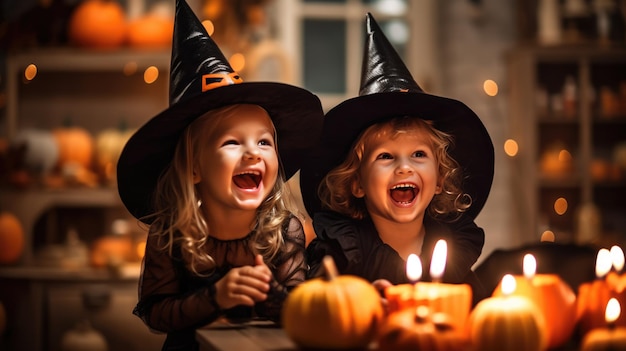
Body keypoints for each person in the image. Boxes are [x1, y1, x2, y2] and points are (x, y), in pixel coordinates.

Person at [116, 0, 324, 350]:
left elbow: (298, 311)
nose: (252, 152)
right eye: (231, 142)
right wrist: (216, 297)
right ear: (194, 168)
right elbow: (156, 313)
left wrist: (271, 295)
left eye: (263, 141)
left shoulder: (283, 230)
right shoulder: (171, 235)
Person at [300, 13, 495, 304]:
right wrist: (362, 302)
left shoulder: (451, 248)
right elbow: (316, 303)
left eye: (418, 154)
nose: (404, 167)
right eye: (386, 156)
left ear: (440, 179)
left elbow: (477, 313)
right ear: (357, 183)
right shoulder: (343, 247)